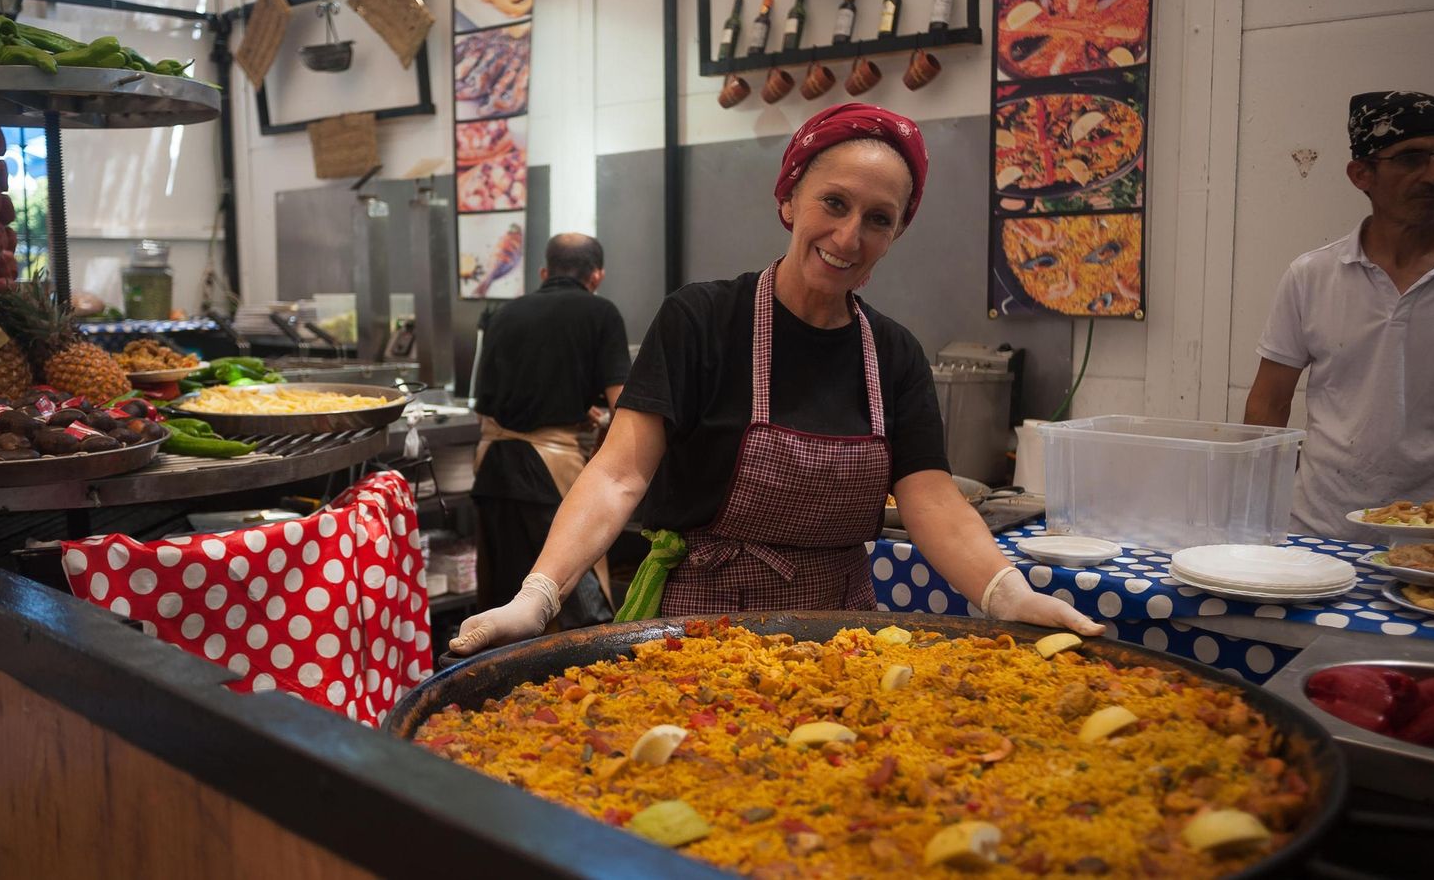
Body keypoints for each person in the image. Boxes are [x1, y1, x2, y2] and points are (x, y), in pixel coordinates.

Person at [450, 104, 1104, 654]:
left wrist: (1005, 590)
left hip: (843, 631)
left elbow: (930, 497)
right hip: (706, 625)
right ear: (790, 199)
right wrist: (540, 595)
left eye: (879, 219)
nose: (849, 236)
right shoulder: (702, 320)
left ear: (897, 232)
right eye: (834, 203)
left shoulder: (894, 354)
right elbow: (619, 475)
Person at [1245, 91, 1434, 542]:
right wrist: (1257, 513)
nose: (1433, 175)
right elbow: (1267, 405)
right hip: (1318, 532)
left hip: (1429, 542)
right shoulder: (1312, 276)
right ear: (1361, 174)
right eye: (1411, 159)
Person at [469, 232, 630, 626]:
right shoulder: (600, 312)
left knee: (503, 604)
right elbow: (623, 405)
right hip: (551, 473)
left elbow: (488, 399)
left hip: (492, 467)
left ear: (544, 272)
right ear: (597, 276)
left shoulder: (503, 314)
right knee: (575, 603)